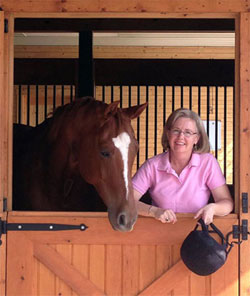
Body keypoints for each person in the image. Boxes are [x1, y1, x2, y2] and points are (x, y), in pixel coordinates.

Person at [132, 108, 233, 225]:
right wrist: (154, 211)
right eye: (176, 130)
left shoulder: (208, 162)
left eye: (188, 132)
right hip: (159, 233)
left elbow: (227, 203)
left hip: (196, 234)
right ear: (168, 134)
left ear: (197, 138)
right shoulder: (152, 165)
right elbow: (126, 201)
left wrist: (213, 208)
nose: (181, 136)